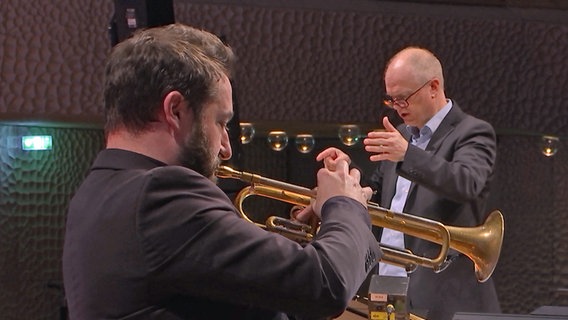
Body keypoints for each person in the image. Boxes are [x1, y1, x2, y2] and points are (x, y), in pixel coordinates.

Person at [62, 24, 382, 320]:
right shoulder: (161, 193)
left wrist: (292, 242)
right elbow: (327, 285)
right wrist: (345, 205)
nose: (226, 147)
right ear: (175, 110)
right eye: (220, 122)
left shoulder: (98, 191)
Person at [363, 46, 501, 319]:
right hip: (389, 286)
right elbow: (382, 193)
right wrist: (350, 179)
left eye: (403, 98)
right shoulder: (402, 135)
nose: (398, 108)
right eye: (391, 100)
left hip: (442, 294)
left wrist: (408, 155)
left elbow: (466, 182)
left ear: (434, 87)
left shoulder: (472, 131)